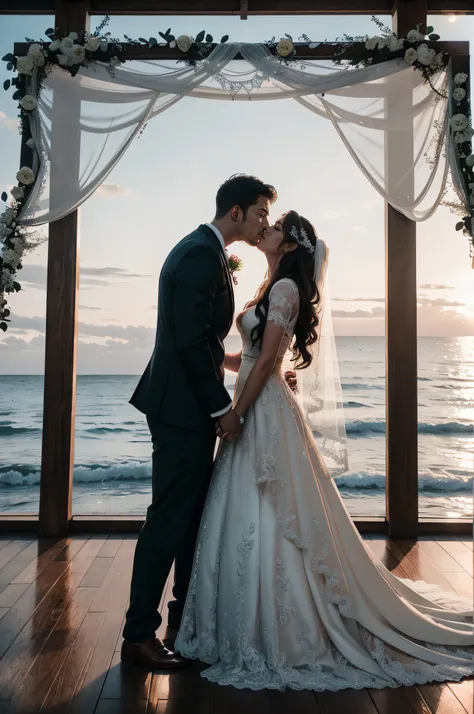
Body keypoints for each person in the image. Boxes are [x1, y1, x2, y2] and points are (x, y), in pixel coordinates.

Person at [174, 210, 474, 690]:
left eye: (274, 228)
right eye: (265, 223)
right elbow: (252, 356)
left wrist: (237, 413)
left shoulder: (286, 289)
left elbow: (270, 358)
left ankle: (287, 628)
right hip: (259, 395)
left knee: (273, 510)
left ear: (290, 246)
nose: (265, 230)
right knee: (246, 508)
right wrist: (214, 358)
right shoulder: (270, 286)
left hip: (262, 408)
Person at [121, 175, 283, 669]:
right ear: (236, 212)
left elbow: (202, 343)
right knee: (169, 520)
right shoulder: (198, 255)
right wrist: (223, 411)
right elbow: (189, 342)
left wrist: (244, 366)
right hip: (181, 409)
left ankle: (182, 620)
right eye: (259, 213)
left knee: (189, 518)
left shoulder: (205, 252)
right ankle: (138, 636)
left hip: (186, 404)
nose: (264, 223)